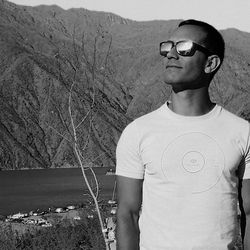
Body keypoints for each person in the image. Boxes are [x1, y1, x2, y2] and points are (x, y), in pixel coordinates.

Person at [115, 19, 250, 250]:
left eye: (184, 47)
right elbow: (127, 214)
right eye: (167, 47)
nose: (171, 54)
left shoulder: (242, 132)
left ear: (211, 63)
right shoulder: (138, 132)